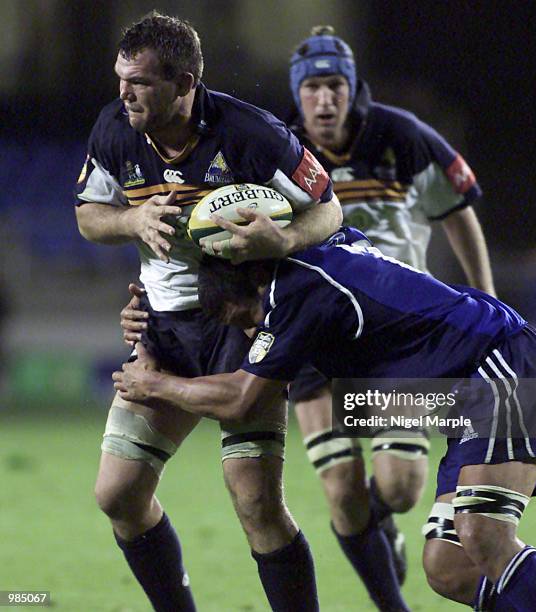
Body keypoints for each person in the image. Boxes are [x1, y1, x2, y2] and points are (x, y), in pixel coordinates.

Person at [113, 239, 536, 612]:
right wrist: (148, 317)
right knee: (450, 567)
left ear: (257, 279)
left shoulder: (297, 294)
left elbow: (239, 399)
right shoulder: (311, 264)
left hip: (503, 364)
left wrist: (152, 385)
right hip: (462, 394)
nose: (252, 333)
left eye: (248, 319)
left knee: (481, 532)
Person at [74, 12, 343, 612]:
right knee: (117, 494)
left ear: (185, 82)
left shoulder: (250, 133)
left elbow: (328, 208)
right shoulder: (114, 130)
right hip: (161, 329)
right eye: (121, 79)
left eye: (140, 82)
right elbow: (87, 216)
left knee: (255, 503)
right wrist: (130, 219)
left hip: (242, 326)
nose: (124, 94)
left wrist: (284, 240)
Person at [285, 24, 495, 598]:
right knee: (341, 490)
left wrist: (485, 299)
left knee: (400, 488)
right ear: (297, 94)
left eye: (335, 86)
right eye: (313, 88)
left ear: (354, 90)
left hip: (394, 337)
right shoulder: (278, 152)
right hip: (312, 333)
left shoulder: (402, 137)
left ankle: (380, 521)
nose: (325, 99)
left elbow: (458, 209)